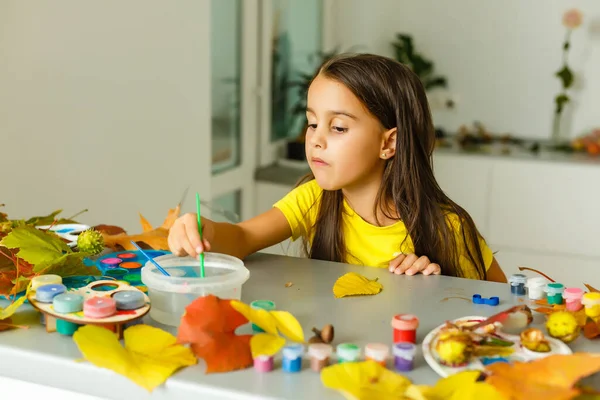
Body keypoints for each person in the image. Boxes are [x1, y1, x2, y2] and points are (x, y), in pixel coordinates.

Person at [168, 53, 507, 282]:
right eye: (312, 123)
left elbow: (507, 308)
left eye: (339, 127)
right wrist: (205, 232)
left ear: (389, 143)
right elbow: (242, 237)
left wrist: (435, 288)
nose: (315, 139)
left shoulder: (449, 228)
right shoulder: (313, 200)